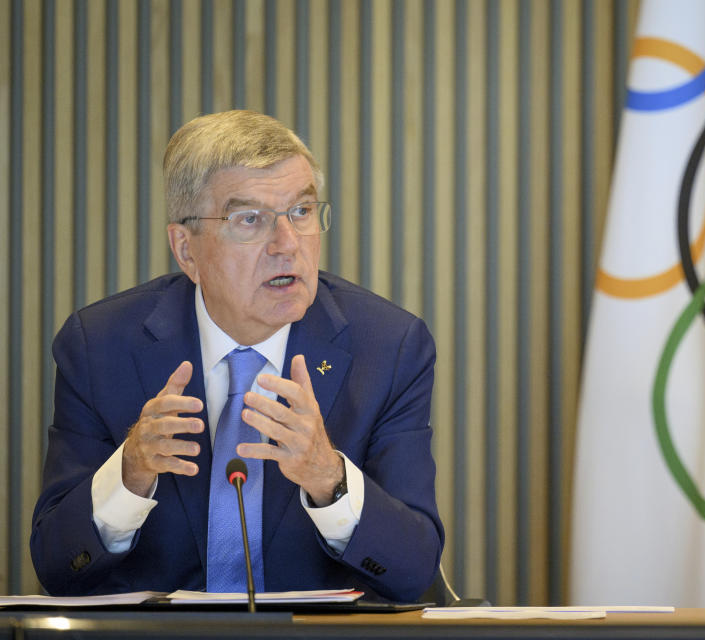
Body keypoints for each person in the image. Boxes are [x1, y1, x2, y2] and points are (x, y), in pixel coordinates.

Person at [30, 110, 443, 601]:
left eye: (302, 212)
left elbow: (414, 572)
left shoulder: (389, 347)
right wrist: (130, 472)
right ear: (186, 250)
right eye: (250, 220)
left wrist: (328, 478)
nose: (287, 245)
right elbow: (57, 567)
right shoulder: (99, 346)